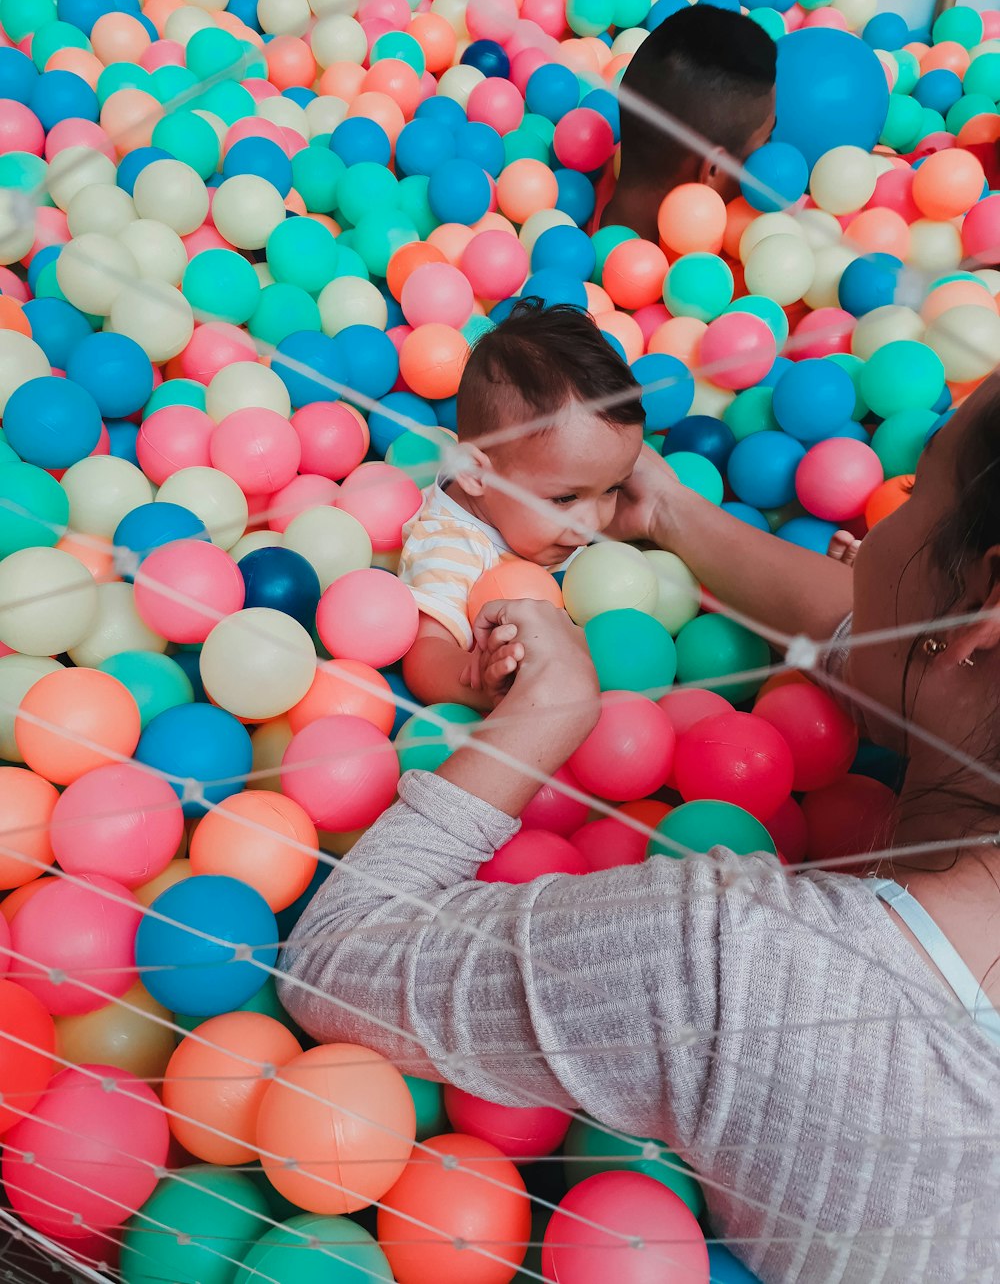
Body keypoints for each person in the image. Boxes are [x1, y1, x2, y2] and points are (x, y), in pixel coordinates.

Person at [281, 372, 1000, 1281]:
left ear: (982, 614)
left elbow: (337, 959)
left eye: (916, 488)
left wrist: (546, 712)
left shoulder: (741, 965)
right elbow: (896, 644)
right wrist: (667, 511)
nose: (871, 530)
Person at [398, 299, 645, 709]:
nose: (593, 522)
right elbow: (424, 656)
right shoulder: (450, 548)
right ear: (477, 475)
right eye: (565, 498)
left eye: (613, 488)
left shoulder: (545, 498)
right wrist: (478, 679)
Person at [591, 3, 778, 240]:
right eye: (768, 139)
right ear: (713, 171)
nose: (777, 153)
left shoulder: (581, 199)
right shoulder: (751, 254)